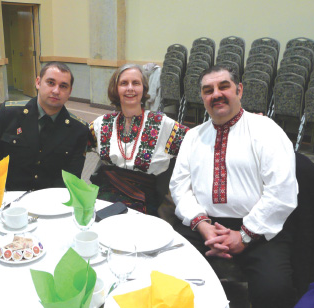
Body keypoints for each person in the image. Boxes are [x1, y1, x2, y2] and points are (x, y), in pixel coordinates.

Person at [169, 64, 298, 307]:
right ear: (202, 98)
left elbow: (281, 192)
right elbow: (179, 187)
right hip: (203, 225)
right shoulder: (193, 136)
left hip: (259, 228)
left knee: (274, 290)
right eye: (208, 90)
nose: (216, 94)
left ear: (239, 90)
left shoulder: (266, 130)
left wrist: (244, 235)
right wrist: (203, 225)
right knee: (165, 269)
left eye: (223, 86)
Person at [88, 64, 189, 215]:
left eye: (136, 83)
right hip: (105, 194)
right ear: (116, 89)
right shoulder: (102, 123)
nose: (130, 88)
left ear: (144, 89)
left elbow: (194, 143)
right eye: (124, 83)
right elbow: (75, 141)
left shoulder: (161, 123)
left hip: (142, 199)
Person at [0, 62, 89, 191]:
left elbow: (72, 180)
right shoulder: (9, 114)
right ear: (38, 83)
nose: (56, 91)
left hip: (51, 203)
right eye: (51, 83)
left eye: (63, 86)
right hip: (9, 199)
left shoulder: (78, 129)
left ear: (69, 92)